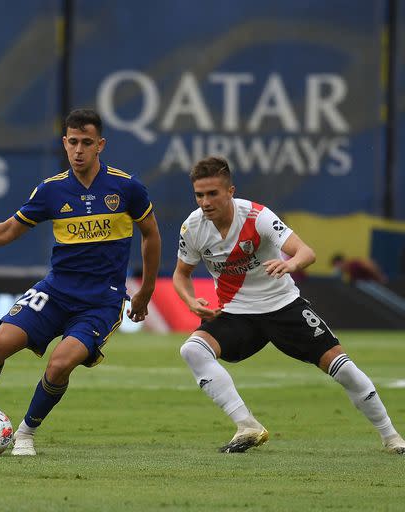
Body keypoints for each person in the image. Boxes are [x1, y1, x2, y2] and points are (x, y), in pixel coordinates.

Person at [0, 109, 161, 455]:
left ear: (100, 145)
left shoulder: (127, 187)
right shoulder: (52, 190)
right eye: (72, 142)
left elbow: (151, 235)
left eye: (86, 143)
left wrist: (146, 291)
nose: (78, 150)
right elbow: (10, 228)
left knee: (61, 364)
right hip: (56, 290)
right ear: (64, 143)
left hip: (101, 301)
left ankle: (26, 434)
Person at [172, 155, 405, 454]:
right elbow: (181, 274)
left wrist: (290, 263)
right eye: (199, 195)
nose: (205, 202)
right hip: (237, 314)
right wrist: (191, 300)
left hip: (283, 306)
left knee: (342, 367)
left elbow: (306, 252)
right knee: (192, 349)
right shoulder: (192, 228)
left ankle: (391, 438)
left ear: (230, 191)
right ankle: (247, 426)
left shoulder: (258, 217)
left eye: (213, 193)